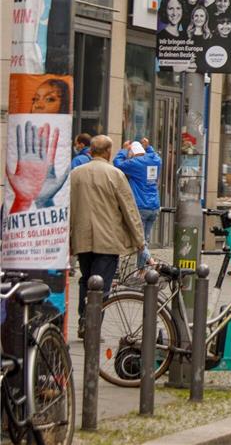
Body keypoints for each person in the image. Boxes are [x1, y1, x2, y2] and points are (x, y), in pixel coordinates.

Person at [70, 135, 145, 337]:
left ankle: (83, 319)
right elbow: (129, 209)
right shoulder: (115, 174)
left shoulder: (76, 174)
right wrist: (140, 242)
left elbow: (67, 207)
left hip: (82, 238)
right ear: (108, 152)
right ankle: (92, 326)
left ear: (90, 151)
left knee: (86, 280)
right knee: (101, 285)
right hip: (107, 240)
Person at [113, 139, 162, 269]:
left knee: (138, 241)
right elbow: (154, 154)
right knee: (145, 240)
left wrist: (124, 150)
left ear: (133, 153)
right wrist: (148, 146)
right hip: (154, 206)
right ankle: (141, 271)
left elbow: (117, 163)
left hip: (140, 206)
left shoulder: (136, 163)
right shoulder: (156, 160)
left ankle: (152, 262)